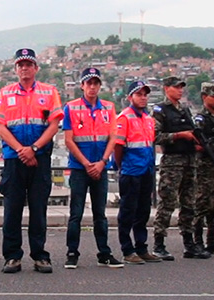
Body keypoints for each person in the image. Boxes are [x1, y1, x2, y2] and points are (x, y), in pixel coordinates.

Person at [0, 48, 63, 274]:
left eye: (29, 64)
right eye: (21, 64)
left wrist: (33, 148)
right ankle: (12, 256)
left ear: (36, 68)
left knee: (38, 209)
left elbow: (54, 125)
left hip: (39, 159)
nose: (25, 68)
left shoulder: (49, 92)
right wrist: (21, 150)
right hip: (14, 159)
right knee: (12, 210)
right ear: (15, 68)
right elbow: (0, 127)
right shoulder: (5, 93)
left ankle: (40, 256)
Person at [61, 68, 122, 269]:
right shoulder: (71, 108)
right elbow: (69, 140)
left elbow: (113, 137)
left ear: (99, 86)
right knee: (76, 213)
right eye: (89, 83)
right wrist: (87, 164)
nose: (92, 87)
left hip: (101, 166)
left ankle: (104, 253)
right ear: (82, 86)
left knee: (100, 214)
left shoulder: (109, 108)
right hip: (80, 168)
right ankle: (72, 252)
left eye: (96, 83)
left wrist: (103, 162)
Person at [114, 81, 160, 265]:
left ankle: (142, 247)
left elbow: (150, 145)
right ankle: (127, 249)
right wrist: (121, 167)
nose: (143, 97)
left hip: (146, 171)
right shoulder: (124, 118)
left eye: (145, 94)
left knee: (143, 211)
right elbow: (118, 146)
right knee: (128, 211)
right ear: (130, 97)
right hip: (131, 171)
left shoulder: (148, 119)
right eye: (139, 94)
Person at [150, 76, 194, 262]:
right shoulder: (161, 110)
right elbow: (155, 136)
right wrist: (178, 135)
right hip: (172, 161)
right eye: (176, 87)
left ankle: (189, 242)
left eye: (181, 87)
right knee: (167, 203)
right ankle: (159, 244)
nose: (180, 90)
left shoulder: (185, 110)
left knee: (189, 203)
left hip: (189, 160)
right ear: (166, 88)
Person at [188, 82, 214, 258]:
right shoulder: (200, 119)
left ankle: (212, 241)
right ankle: (197, 241)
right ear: (204, 97)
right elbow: (198, 142)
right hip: (206, 169)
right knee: (203, 206)